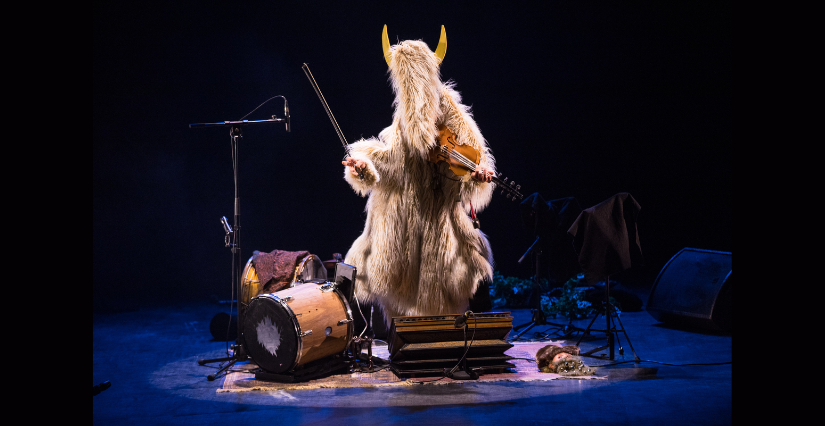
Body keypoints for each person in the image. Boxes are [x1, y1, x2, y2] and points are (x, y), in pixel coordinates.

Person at [341, 26, 496, 327]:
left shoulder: (450, 112)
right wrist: (363, 166)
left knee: (444, 301)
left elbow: (471, 160)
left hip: (439, 222)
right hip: (402, 227)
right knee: (401, 303)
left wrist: (476, 176)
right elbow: (390, 166)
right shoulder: (401, 125)